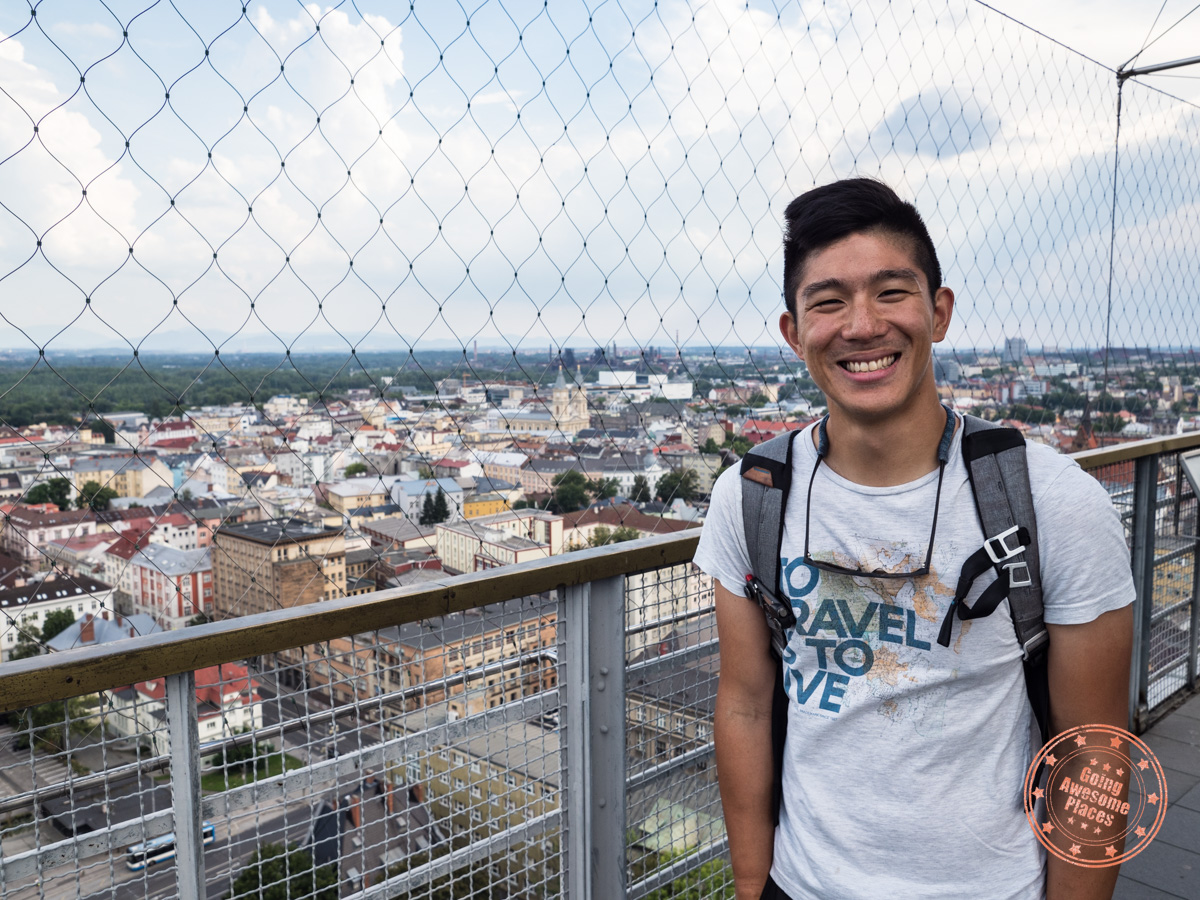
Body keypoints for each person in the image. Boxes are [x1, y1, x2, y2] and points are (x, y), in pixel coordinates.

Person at [693, 178, 1134, 900]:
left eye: (891, 292)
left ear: (939, 312)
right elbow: (744, 703)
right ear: (792, 331)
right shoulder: (749, 499)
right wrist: (751, 885)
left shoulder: (1052, 504)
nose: (862, 326)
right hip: (802, 884)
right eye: (828, 301)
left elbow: (1093, 754)